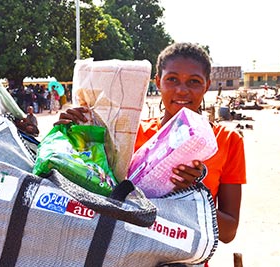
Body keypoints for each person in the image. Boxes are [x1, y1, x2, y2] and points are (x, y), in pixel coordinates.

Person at [55, 43, 246, 247]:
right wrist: (71, 135)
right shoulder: (130, 133)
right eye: (172, 79)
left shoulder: (226, 140)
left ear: (207, 86)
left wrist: (191, 192)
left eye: (194, 81)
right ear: (158, 82)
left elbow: (228, 232)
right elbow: (93, 192)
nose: (182, 90)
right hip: (127, 253)